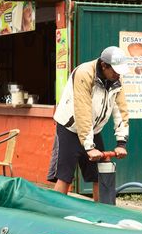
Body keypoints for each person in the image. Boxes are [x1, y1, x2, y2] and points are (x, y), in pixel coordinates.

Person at [47, 46, 130, 201]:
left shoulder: (117, 79)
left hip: (93, 129)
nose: (118, 74)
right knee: (65, 176)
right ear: (104, 65)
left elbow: (121, 109)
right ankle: (55, 212)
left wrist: (121, 142)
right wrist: (89, 147)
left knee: (99, 174)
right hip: (70, 127)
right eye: (115, 70)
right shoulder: (84, 73)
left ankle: (100, 213)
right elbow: (82, 110)